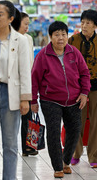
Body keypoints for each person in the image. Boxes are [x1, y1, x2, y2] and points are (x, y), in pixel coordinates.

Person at [31, 21, 90, 178]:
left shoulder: (74, 52)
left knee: (74, 131)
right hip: (50, 100)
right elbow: (34, 79)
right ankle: (58, 167)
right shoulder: (43, 55)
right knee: (53, 132)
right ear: (50, 37)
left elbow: (84, 73)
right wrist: (32, 101)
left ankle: (66, 161)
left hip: (74, 99)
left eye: (64, 34)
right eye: (57, 34)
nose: (61, 38)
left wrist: (84, 93)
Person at [0, 0, 31, 180]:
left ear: (11, 18)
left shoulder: (20, 41)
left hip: (10, 95)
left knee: (10, 144)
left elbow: (24, 71)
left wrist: (25, 98)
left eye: (0, 14)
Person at [68, 10, 97, 168]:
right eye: (83, 22)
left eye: (88, 23)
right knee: (76, 120)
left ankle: (94, 157)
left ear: (95, 26)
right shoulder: (73, 40)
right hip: (77, 88)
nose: (84, 26)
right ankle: (75, 153)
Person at [11, 11, 37, 156]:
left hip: (27, 83)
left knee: (27, 117)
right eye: (25, 24)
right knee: (13, 119)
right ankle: (12, 147)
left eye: (28, 24)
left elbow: (30, 62)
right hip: (14, 84)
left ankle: (28, 146)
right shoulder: (11, 38)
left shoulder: (28, 39)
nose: (27, 27)